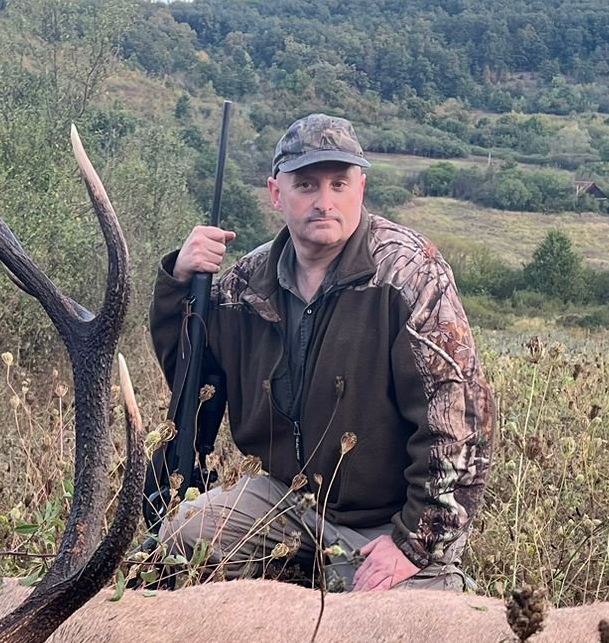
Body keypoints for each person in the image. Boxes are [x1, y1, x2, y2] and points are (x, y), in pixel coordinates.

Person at [148, 113, 494, 592]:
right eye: (306, 185)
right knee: (178, 540)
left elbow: (462, 427)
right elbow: (191, 382)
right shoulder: (247, 283)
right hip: (286, 499)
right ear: (276, 193)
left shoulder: (409, 275)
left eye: (338, 183)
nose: (324, 202)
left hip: (386, 521)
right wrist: (180, 284)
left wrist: (414, 543)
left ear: (361, 188)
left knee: (405, 639)